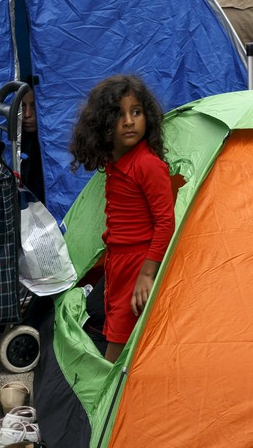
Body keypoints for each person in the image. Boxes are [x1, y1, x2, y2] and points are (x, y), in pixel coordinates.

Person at [68, 75, 175, 363]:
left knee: (118, 334)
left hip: (139, 262)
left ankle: (109, 395)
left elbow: (165, 222)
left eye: (136, 112)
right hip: (118, 261)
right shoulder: (115, 162)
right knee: (116, 323)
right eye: (119, 114)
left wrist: (147, 274)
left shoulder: (148, 165)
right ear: (103, 124)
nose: (129, 121)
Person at [16, 83, 45, 205]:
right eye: (22, 106)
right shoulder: (15, 140)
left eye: (34, 106)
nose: (27, 114)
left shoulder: (52, 145)